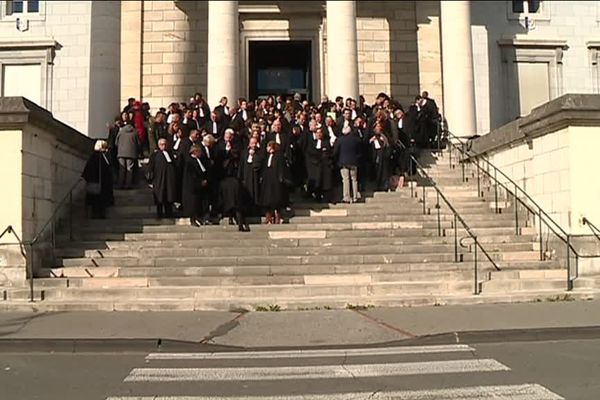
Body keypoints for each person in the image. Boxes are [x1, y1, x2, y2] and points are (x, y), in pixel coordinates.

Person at [259, 141, 289, 224]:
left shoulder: (279, 156)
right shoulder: (267, 156)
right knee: (267, 198)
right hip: (267, 179)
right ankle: (269, 216)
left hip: (275, 179)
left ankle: (277, 216)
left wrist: (281, 177)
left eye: (268, 146)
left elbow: (281, 168)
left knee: (276, 198)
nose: (267, 148)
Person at [82, 140, 114, 219]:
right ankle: (99, 214)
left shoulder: (93, 157)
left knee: (95, 201)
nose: (106, 150)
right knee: (100, 201)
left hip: (94, 183)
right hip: (101, 184)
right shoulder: (101, 157)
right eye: (105, 148)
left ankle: (95, 214)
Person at [147, 138, 177, 218]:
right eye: (162, 144)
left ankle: (169, 213)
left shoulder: (170, 154)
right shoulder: (155, 155)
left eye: (165, 144)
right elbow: (150, 167)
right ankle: (159, 214)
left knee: (169, 197)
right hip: (159, 180)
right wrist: (150, 179)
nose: (163, 146)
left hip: (169, 180)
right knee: (159, 197)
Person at [182, 145, 210, 226]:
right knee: (193, 204)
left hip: (200, 187)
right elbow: (191, 176)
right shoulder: (189, 162)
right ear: (195, 152)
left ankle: (200, 218)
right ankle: (193, 219)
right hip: (192, 187)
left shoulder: (199, 160)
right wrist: (199, 182)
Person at [334, 123, 363, 203]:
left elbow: (335, 151)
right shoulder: (356, 140)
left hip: (343, 162)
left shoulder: (339, 140)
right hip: (354, 162)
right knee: (354, 179)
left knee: (345, 180)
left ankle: (346, 197)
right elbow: (359, 152)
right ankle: (355, 197)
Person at [305, 127, 334, 202]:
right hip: (315, 166)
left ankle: (326, 197)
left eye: (320, 133)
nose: (318, 134)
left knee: (326, 182)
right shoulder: (312, 143)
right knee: (317, 182)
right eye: (317, 133)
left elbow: (329, 152)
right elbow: (310, 153)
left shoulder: (326, 142)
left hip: (325, 166)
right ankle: (316, 196)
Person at [239, 136, 262, 214]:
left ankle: (255, 209)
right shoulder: (244, 152)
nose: (254, 145)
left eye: (255, 143)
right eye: (252, 143)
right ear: (249, 144)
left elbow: (260, 164)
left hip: (255, 176)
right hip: (246, 176)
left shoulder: (259, 152)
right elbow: (241, 165)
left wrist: (253, 156)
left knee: (255, 192)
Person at [115, 123, 140, 189]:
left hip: (121, 153)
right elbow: (138, 143)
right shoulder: (135, 133)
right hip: (131, 153)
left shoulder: (120, 132)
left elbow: (116, 143)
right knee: (129, 169)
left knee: (121, 169)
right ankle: (128, 185)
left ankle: (120, 184)